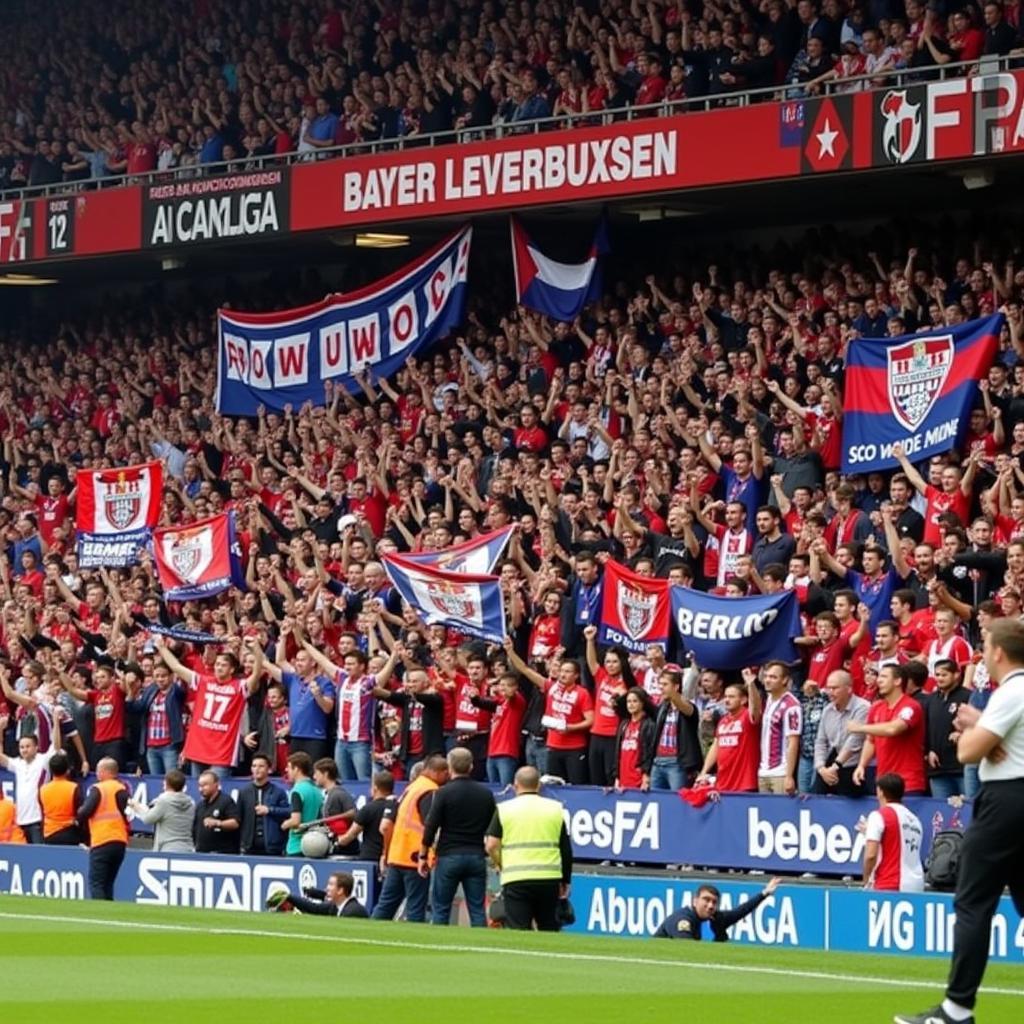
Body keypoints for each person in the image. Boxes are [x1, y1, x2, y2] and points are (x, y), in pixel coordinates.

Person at [895, 619, 1024, 1024]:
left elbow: (967, 752)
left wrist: (975, 729)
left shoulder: (1012, 691)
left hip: (1004, 802)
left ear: (998, 652)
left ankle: (956, 1009)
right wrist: (989, 736)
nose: (982, 652)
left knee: (972, 902)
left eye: (984, 644)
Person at [485, 766, 573, 932]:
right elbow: (565, 849)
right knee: (549, 928)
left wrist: (501, 863)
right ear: (539, 785)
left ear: (515, 785)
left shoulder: (504, 809)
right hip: (549, 877)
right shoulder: (555, 809)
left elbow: (491, 845)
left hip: (516, 877)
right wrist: (565, 879)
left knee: (519, 930)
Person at [419, 746, 497, 926]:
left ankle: (439, 948)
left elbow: (431, 826)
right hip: (476, 855)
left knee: (441, 909)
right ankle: (480, 950)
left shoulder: (443, 793)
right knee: (477, 909)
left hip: (449, 855)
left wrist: (423, 855)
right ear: (471, 767)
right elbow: (492, 827)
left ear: (449, 767)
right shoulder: (485, 794)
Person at [373, 755, 449, 922]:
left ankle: (367, 937)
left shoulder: (412, 787)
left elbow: (389, 825)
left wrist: (386, 853)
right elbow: (431, 824)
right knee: (415, 908)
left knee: (386, 905)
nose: (448, 777)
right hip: (415, 857)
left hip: (398, 854)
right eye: (445, 773)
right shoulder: (429, 790)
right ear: (436, 772)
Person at [851, 664, 927, 796]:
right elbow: (870, 741)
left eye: (884, 676)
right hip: (883, 782)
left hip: (908, 782)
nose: (878, 680)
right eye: (879, 676)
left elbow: (893, 729)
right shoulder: (876, 707)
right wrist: (862, 765)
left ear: (898, 681)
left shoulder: (911, 706)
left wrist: (860, 727)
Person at [653, 877, 782, 940]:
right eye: (706, 900)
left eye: (714, 902)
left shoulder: (716, 918)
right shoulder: (682, 919)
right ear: (694, 901)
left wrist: (764, 893)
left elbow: (740, 911)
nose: (710, 906)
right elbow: (686, 949)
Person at [76, 757, 129, 900]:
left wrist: (78, 815)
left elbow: (85, 811)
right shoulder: (122, 788)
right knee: (108, 883)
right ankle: (109, 913)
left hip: (102, 839)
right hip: (120, 841)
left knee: (97, 883)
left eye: (99, 770)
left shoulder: (99, 788)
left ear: (106, 771)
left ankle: (100, 914)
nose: (97, 774)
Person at [862, 773, 924, 893]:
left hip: (890, 884)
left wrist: (866, 881)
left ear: (880, 791)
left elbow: (870, 855)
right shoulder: (915, 819)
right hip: (916, 885)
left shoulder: (879, 815)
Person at [812, 670, 871, 796]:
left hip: (853, 767)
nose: (830, 692)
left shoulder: (863, 708)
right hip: (830, 765)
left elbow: (854, 742)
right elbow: (820, 741)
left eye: (834, 688)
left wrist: (835, 766)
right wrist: (821, 768)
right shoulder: (828, 710)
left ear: (849, 689)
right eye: (828, 688)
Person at [0, 729, 61, 844]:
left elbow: (56, 747)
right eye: (21, 747)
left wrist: (55, 720)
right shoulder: (18, 764)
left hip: (37, 820)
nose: (24, 750)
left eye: (28, 746)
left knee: (39, 856)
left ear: (36, 747)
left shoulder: (43, 761)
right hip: (20, 821)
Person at [333, 770, 396, 872]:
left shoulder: (368, 809)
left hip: (369, 860)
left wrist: (337, 841)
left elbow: (350, 835)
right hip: (391, 859)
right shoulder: (397, 806)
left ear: (375, 788)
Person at [128, 768, 195, 852]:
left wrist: (136, 806)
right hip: (187, 848)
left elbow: (147, 819)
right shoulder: (191, 802)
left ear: (166, 784)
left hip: (168, 849)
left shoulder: (164, 801)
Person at [237, 753, 290, 856]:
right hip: (249, 847)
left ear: (269, 770)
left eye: (261, 766)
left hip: (273, 847)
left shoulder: (278, 792)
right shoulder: (244, 792)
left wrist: (269, 810)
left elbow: (288, 812)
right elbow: (239, 818)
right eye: (254, 766)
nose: (257, 769)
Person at [265, 871, 369, 917]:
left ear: (340, 890)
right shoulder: (336, 906)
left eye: (331, 884)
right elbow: (314, 908)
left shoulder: (353, 911)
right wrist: (289, 897)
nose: (327, 888)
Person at [283, 751, 323, 856]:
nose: (286, 770)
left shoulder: (297, 791)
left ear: (297, 769)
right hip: (314, 845)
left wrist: (285, 824)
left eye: (289, 767)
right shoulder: (317, 790)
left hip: (296, 846)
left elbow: (296, 821)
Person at [39, 752, 83, 845]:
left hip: (49, 834)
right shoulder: (74, 787)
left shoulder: (42, 789)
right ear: (67, 770)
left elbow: (42, 812)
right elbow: (79, 811)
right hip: (70, 833)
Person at [193, 770, 241, 854]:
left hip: (222, 854)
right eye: (200, 786)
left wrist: (218, 823)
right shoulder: (200, 805)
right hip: (201, 854)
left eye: (205, 785)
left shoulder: (226, 801)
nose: (201, 789)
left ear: (216, 784)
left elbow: (235, 823)